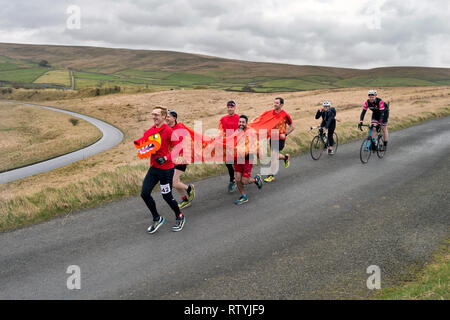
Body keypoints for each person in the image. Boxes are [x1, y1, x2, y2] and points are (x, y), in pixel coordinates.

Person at [137, 107, 185, 234]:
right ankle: (157, 218)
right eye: (153, 114)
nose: (154, 117)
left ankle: (180, 216)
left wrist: (166, 158)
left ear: (164, 117)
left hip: (166, 170)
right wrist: (140, 147)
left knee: (167, 196)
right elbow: (143, 142)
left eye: (157, 115)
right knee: (144, 193)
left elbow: (178, 147)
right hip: (154, 168)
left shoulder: (168, 130)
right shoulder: (150, 131)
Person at [166, 110, 195, 209]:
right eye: (166, 117)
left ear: (174, 118)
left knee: (173, 182)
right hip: (173, 159)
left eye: (168, 116)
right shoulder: (167, 128)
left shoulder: (180, 128)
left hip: (182, 158)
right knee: (176, 181)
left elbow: (183, 144)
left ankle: (189, 189)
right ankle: (185, 200)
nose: (166, 118)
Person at [233, 115, 263, 205]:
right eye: (240, 122)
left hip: (248, 159)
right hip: (238, 159)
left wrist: (259, 154)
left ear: (246, 123)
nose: (241, 124)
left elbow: (256, 145)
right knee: (238, 179)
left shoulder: (250, 133)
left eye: (243, 122)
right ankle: (244, 196)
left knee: (244, 181)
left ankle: (256, 179)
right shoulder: (236, 132)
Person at [264, 97, 294, 183]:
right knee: (275, 156)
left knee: (273, 156)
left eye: (277, 103)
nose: (275, 104)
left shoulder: (285, 115)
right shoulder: (270, 113)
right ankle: (285, 157)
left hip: (280, 139)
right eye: (274, 102)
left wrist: (285, 134)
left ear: (281, 105)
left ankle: (271, 175)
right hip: (272, 137)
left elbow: (292, 127)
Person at [219, 100, 240, 192]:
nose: (229, 109)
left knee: (237, 164)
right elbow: (220, 131)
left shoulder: (239, 118)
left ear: (234, 108)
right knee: (228, 163)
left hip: (237, 144)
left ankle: (240, 179)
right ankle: (232, 180)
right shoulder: (223, 119)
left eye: (231, 107)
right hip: (227, 145)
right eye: (228, 107)